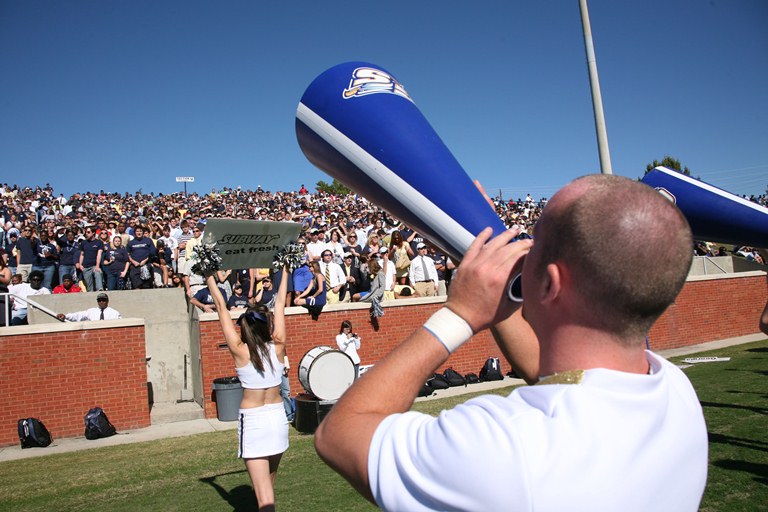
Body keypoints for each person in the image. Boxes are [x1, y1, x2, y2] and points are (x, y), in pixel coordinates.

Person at [314, 175, 708, 511]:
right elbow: (550, 376)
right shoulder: (675, 390)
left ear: (551, 283)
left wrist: (460, 315)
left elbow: (338, 434)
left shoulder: (506, 450)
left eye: (533, 243)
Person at [203, 262, 290, 510]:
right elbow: (281, 303)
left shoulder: (240, 351)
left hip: (254, 421)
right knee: (268, 491)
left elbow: (220, 306)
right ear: (267, 325)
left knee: (265, 501)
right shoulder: (279, 346)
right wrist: (285, 269)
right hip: (277, 419)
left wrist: (208, 274)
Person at [57, 292, 121, 321]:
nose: (101, 302)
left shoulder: (114, 313)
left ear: (107, 301)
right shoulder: (91, 311)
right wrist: (65, 316)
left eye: (103, 300)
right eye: (99, 300)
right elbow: (79, 315)